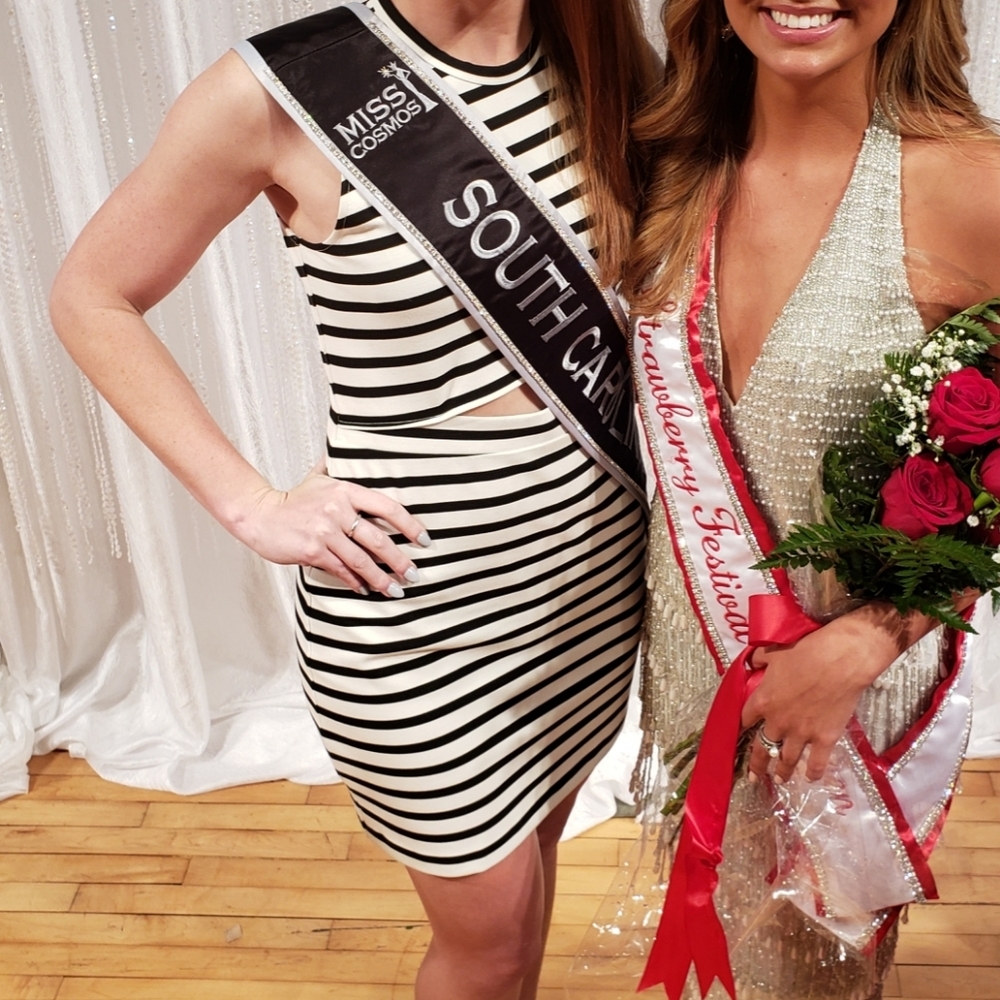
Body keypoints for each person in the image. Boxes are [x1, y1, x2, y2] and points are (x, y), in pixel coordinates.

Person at [49, 2, 655, 997]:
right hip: (419, 611)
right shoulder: (287, 86)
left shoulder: (595, 50)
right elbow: (90, 295)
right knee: (487, 943)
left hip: (585, 600)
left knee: (528, 890)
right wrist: (250, 504)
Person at [617, 1, 1000, 998]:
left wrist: (870, 639)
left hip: (847, 705)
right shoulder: (670, 171)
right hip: (693, 666)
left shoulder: (963, 182)